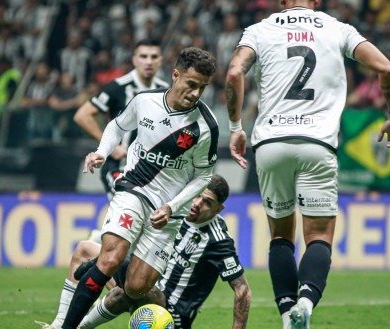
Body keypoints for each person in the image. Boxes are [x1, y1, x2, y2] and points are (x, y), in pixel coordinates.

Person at [224, 1, 390, 328]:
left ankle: (287, 318)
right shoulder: (337, 29)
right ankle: (306, 304)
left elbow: (234, 72)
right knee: (320, 236)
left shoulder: (259, 30)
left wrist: (236, 127)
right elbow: (387, 70)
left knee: (281, 237)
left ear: (282, 1)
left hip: (271, 143)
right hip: (317, 144)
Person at [61, 46, 218, 329]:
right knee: (110, 259)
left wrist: (172, 207)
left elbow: (204, 177)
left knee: (135, 287)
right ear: (175, 75)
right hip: (134, 188)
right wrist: (102, 151)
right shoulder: (144, 101)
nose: (195, 93)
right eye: (191, 84)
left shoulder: (205, 126)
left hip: (167, 210)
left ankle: (95, 263)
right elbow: (117, 127)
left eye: (202, 88)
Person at [43, 175, 251, 329]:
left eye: (208, 202)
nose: (197, 203)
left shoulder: (217, 240)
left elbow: (242, 290)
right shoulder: (174, 210)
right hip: (147, 289)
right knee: (85, 250)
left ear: (218, 210)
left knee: (131, 281)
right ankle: (60, 324)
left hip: (170, 313)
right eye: (198, 196)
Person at [74, 38, 168, 200]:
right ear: (134, 60)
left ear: (161, 61)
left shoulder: (165, 90)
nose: (149, 61)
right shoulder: (118, 87)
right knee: (128, 207)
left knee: (146, 222)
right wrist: (113, 146)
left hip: (150, 170)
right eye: (143, 56)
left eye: (154, 57)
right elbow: (82, 115)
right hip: (119, 167)